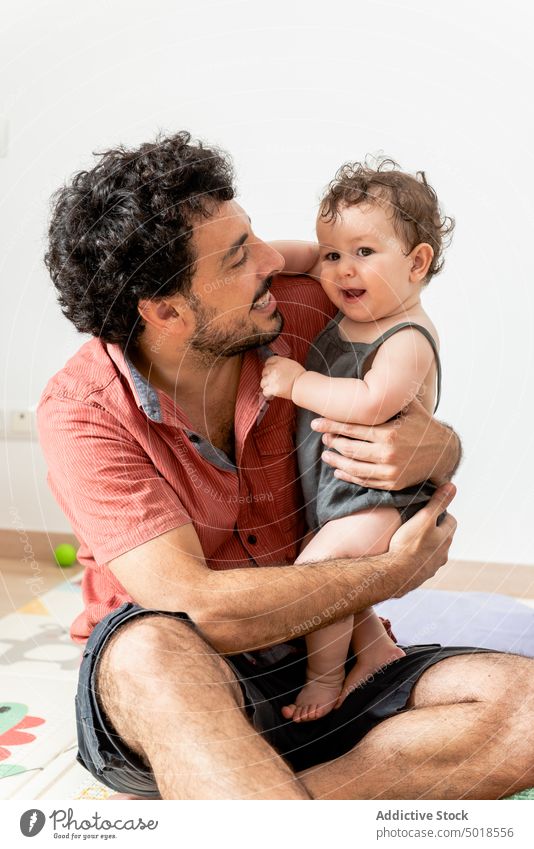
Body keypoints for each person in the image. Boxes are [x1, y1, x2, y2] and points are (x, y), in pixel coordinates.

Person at [37, 132, 534, 800]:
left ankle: (252, 803)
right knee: (149, 649)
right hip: (189, 677)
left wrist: (438, 445)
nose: (273, 259)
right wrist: (389, 571)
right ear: (165, 311)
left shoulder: (300, 310)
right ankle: (246, 792)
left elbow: (408, 369)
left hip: (320, 663)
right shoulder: (85, 411)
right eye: (240, 256)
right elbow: (197, 606)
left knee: (526, 706)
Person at [260, 159, 452, 723]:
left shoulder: (407, 336)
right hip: (341, 490)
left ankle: (324, 679)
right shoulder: (351, 306)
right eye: (333, 254)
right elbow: (295, 255)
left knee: (322, 573)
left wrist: (300, 384)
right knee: (346, 581)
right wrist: (252, 262)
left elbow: (372, 401)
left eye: (364, 252)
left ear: (416, 263)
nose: (342, 269)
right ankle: (373, 654)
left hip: (384, 497)